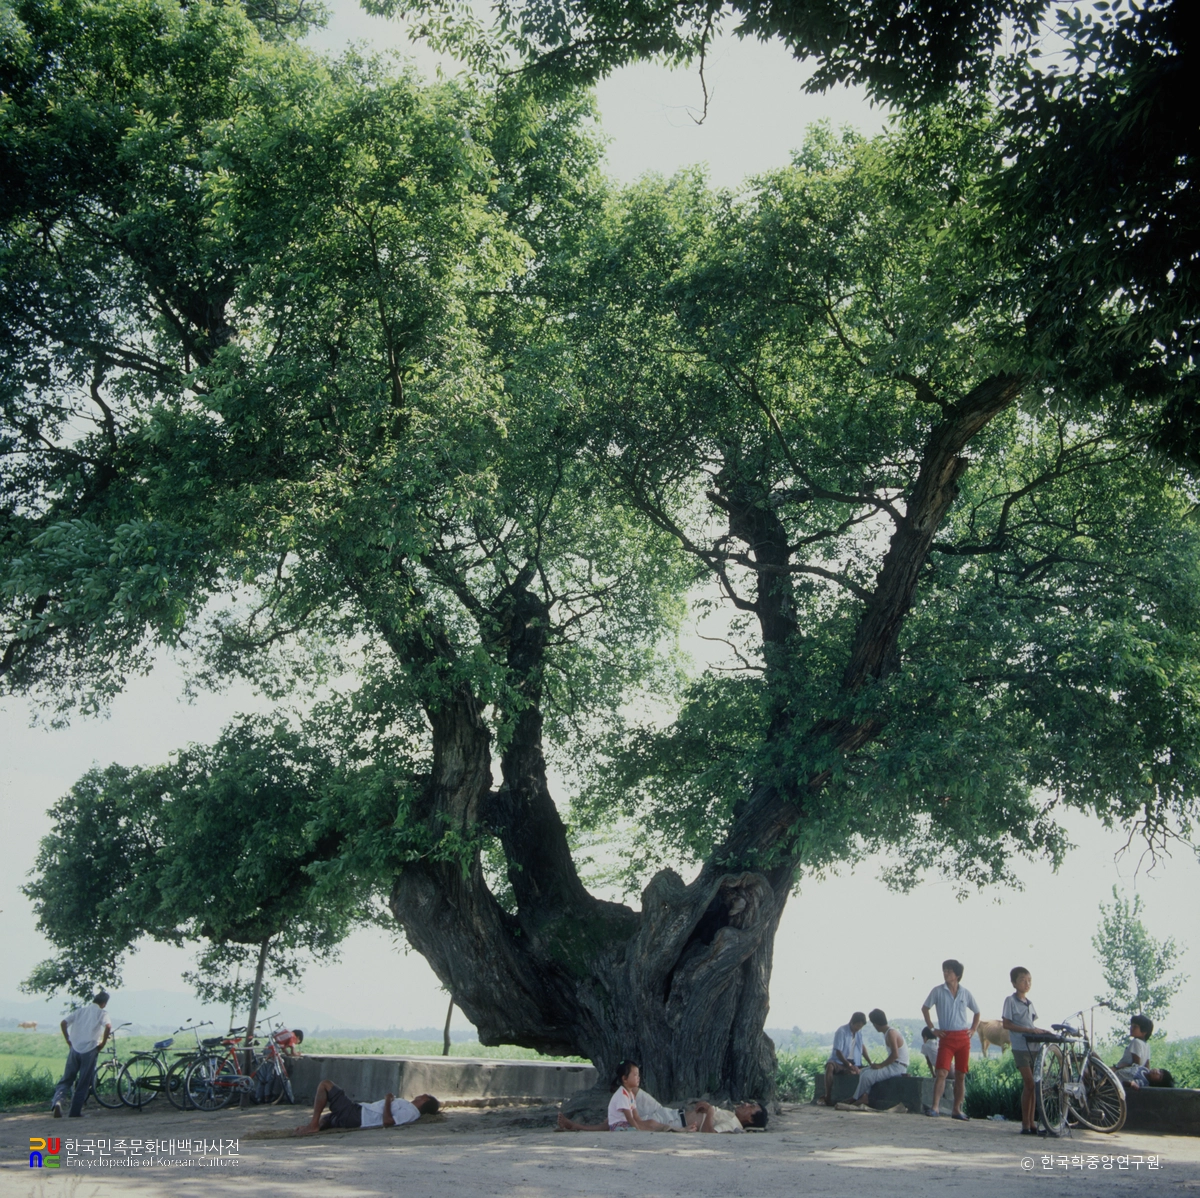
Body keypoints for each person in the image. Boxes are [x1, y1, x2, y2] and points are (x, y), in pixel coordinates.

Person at [921, 958, 980, 1121]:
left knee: (961, 1074)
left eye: (949, 971)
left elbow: (977, 1012)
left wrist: (973, 1029)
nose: (946, 974)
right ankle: (935, 1107)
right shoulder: (938, 991)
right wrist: (932, 1028)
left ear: (957, 974)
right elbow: (925, 1008)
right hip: (946, 1036)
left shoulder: (965, 993)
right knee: (942, 1072)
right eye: (944, 971)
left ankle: (957, 1109)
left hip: (963, 1037)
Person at [1001, 966, 1051, 1135]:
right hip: (1021, 1047)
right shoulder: (1010, 1001)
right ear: (1014, 983)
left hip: (1034, 1047)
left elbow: (1031, 1025)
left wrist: (1039, 1030)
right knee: (1029, 1083)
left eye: (1029, 980)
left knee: (1035, 1085)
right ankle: (1024, 1124)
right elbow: (1006, 1024)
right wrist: (1030, 1031)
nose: (1026, 983)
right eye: (1022, 980)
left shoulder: (1030, 1004)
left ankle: (1032, 1123)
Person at [293, 1079, 440, 1135]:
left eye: (423, 1094)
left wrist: (388, 1100)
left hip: (359, 1116)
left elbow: (388, 1122)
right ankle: (314, 1127)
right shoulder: (409, 1107)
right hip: (358, 1114)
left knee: (325, 1084)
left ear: (425, 1099)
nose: (420, 1095)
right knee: (328, 1118)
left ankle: (313, 1125)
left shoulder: (411, 1112)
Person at [51, 991, 112, 1118]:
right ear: (104, 1003)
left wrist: (68, 1039)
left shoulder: (80, 1011)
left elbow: (63, 1023)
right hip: (89, 1050)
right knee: (83, 1082)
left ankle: (58, 1102)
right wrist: (103, 1043)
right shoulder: (102, 1013)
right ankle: (75, 1112)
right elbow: (108, 1026)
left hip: (75, 1049)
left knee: (66, 1080)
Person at [849, 1009, 909, 1107]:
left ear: (875, 1024)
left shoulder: (891, 1033)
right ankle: (864, 1096)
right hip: (894, 1065)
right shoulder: (888, 1032)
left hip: (898, 1067)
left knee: (867, 1076)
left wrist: (881, 1065)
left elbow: (895, 1055)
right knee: (864, 1072)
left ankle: (855, 1098)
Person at [1112, 1015, 1173, 1088]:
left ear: (1144, 1032)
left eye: (1135, 1027)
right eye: (1131, 1026)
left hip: (1123, 1070)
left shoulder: (1136, 1042)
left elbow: (1135, 1064)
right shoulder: (1147, 1045)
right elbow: (1147, 1064)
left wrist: (1117, 1067)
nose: (1131, 1028)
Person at [823, 1012, 870, 1106]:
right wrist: (847, 1064)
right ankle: (828, 1096)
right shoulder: (841, 1031)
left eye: (861, 1026)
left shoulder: (859, 1033)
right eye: (857, 1025)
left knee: (864, 1072)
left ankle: (859, 1098)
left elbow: (862, 1047)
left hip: (855, 1062)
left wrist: (870, 1061)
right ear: (852, 1022)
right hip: (839, 1061)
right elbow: (838, 1051)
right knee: (830, 1067)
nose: (858, 1028)